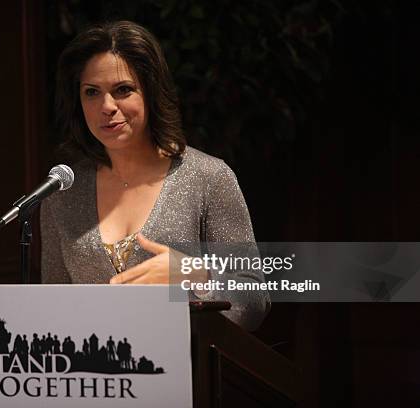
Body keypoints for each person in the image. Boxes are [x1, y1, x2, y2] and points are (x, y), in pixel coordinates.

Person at [40, 21, 269, 330]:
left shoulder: (208, 177)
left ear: (150, 91)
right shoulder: (62, 193)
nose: (106, 106)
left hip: (188, 370)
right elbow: (51, 308)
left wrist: (194, 273)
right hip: (96, 373)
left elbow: (255, 300)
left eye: (123, 90)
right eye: (91, 92)